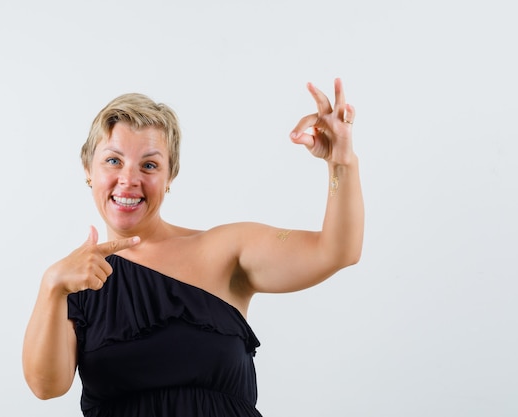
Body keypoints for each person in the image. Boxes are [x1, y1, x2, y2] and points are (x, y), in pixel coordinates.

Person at [22, 78, 364, 417]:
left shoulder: (225, 250)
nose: (129, 179)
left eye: (150, 165)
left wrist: (341, 161)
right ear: (88, 170)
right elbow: (46, 387)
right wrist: (52, 286)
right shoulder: (72, 282)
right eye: (113, 161)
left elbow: (337, 251)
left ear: (170, 177)